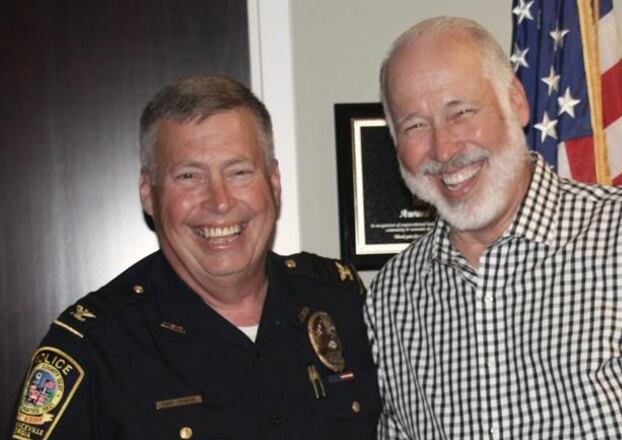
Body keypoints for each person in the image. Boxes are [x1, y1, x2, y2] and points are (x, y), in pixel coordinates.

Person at [364, 16, 622, 439]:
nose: (443, 148)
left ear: (516, 102)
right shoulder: (392, 296)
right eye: (415, 125)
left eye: (462, 112)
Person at [9, 76, 380, 439]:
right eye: (188, 176)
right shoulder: (93, 348)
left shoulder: (342, 303)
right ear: (148, 193)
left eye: (239, 172)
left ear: (274, 182)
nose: (219, 202)